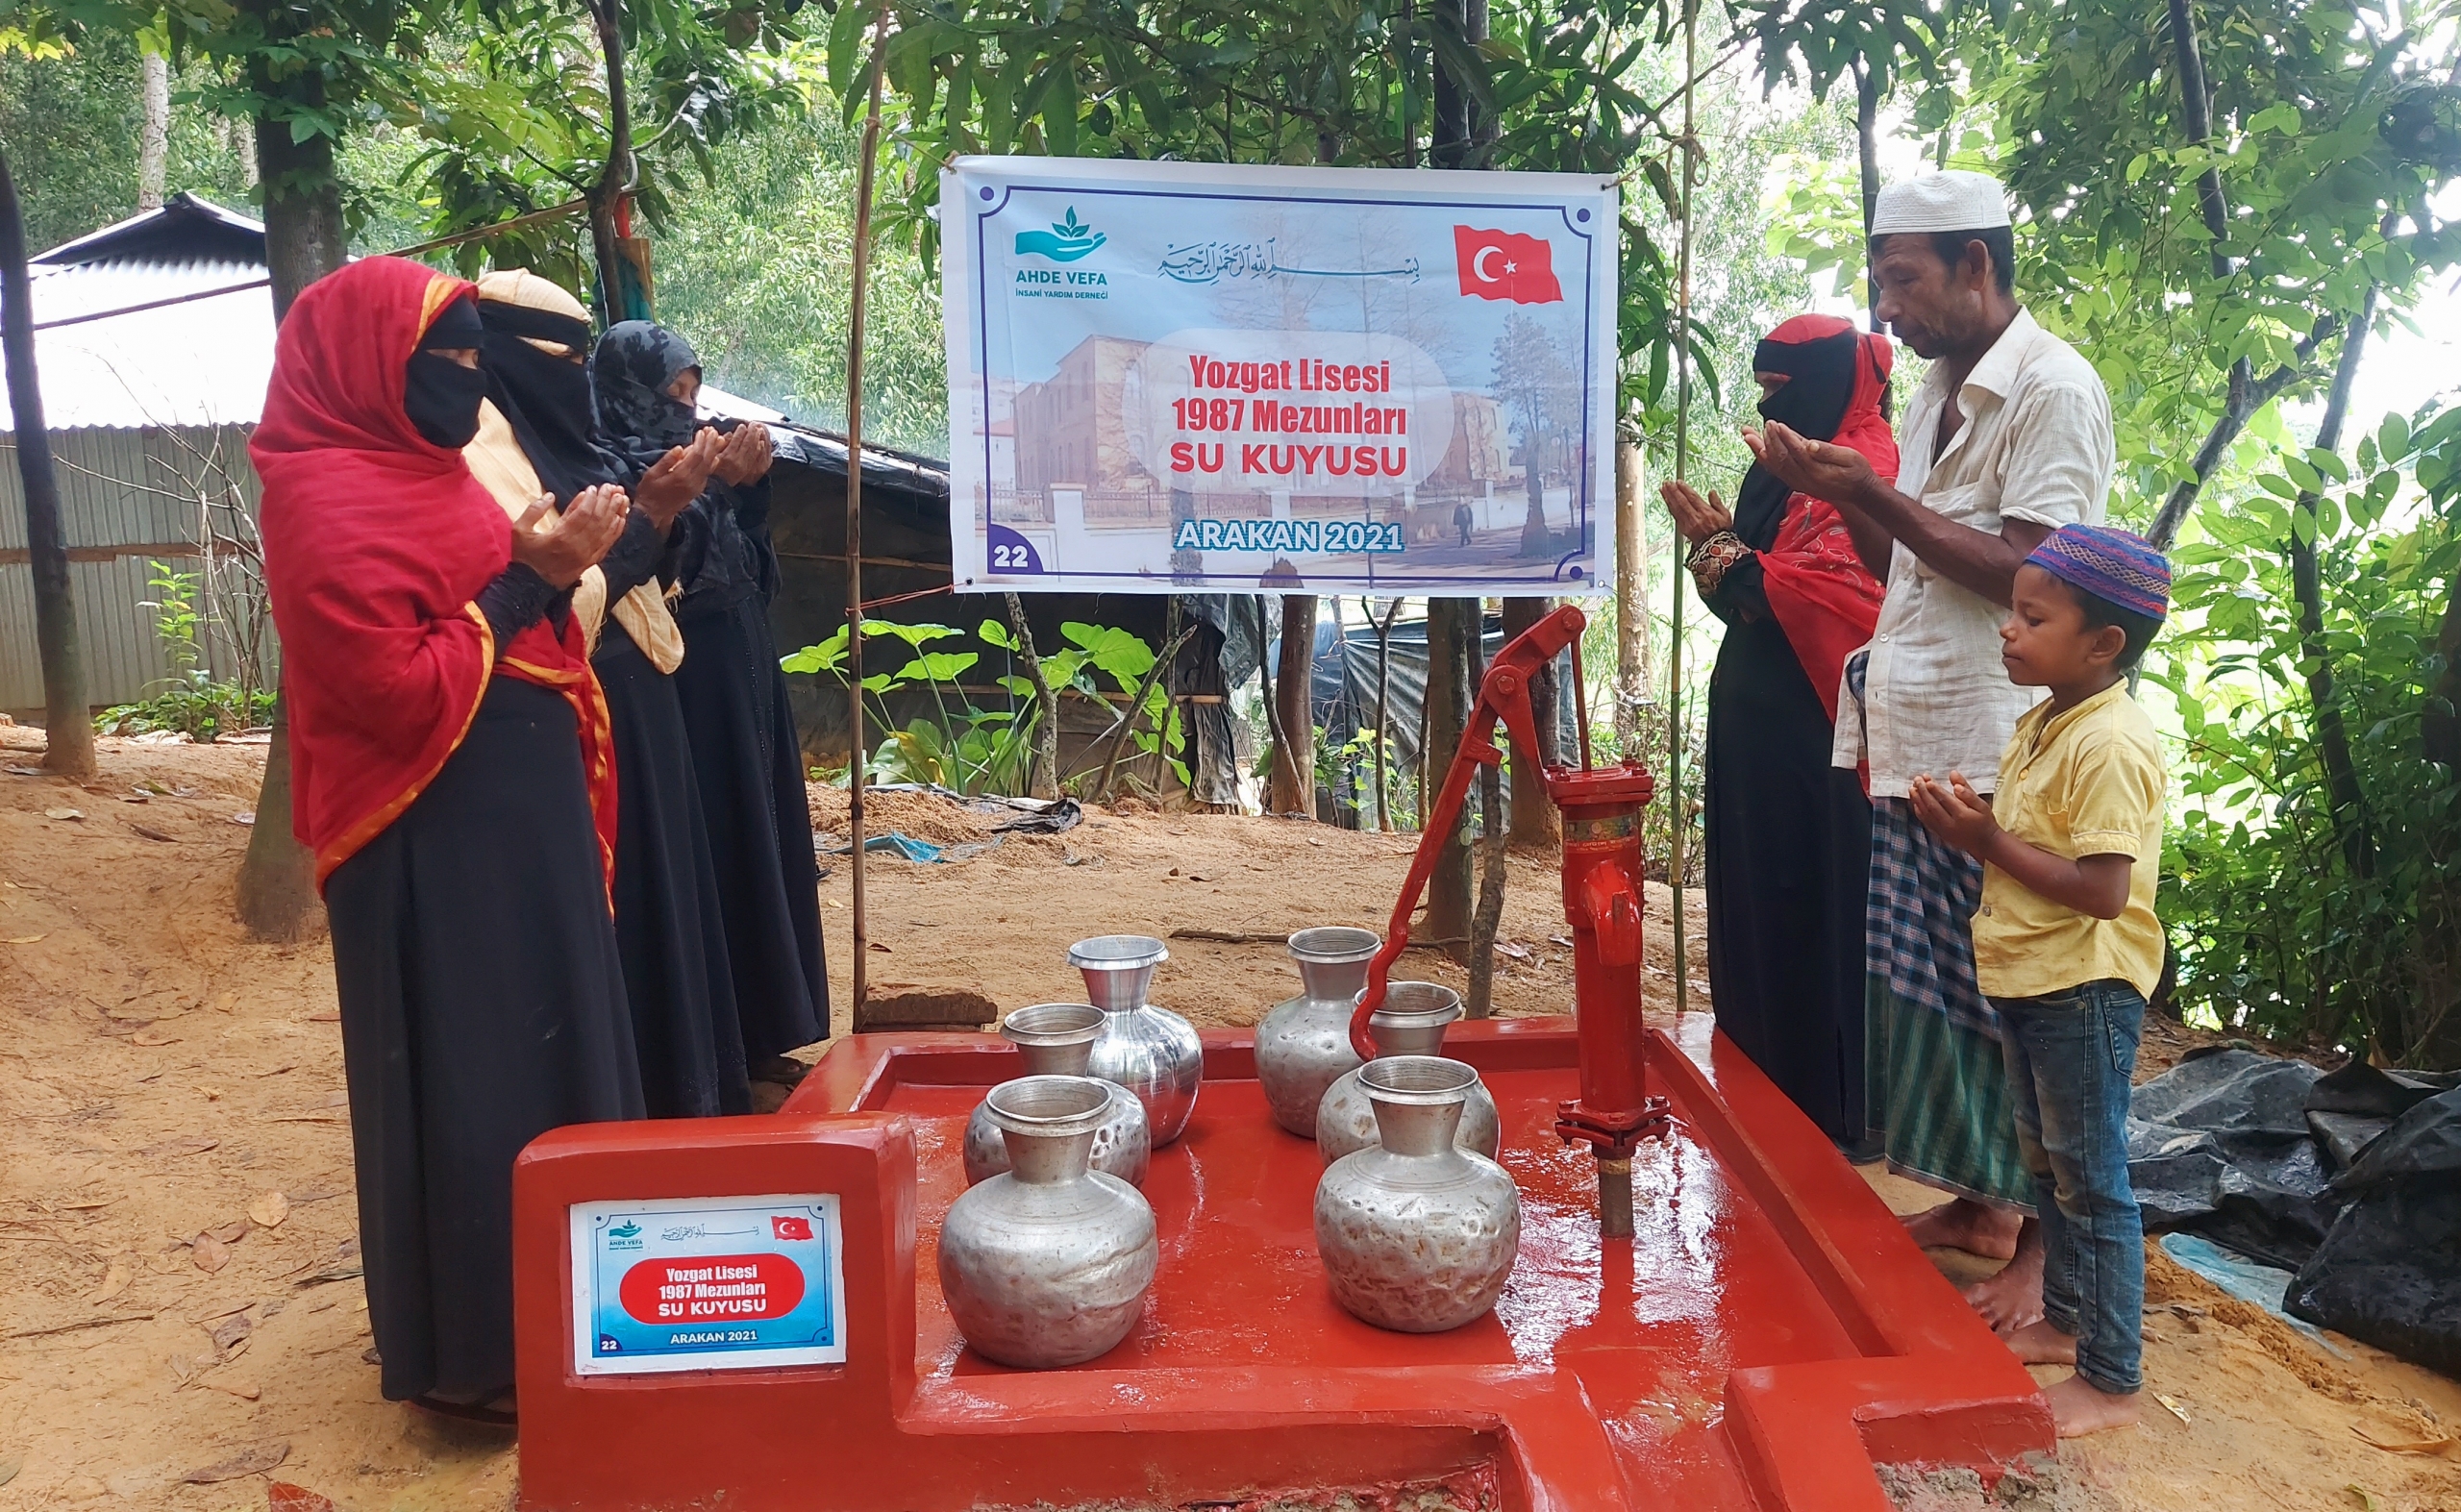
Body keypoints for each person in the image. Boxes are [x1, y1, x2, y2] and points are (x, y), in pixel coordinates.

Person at [252, 257, 643, 1424]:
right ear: (369, 367)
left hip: (522, 833)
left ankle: (589, 1317)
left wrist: (555, 561)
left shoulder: (442, 478)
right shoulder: (323, 496)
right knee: (473, 1080)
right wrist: (532, 581)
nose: (470, 380)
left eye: (479, 357)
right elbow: (387, 685)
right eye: (449, 359)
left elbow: (497, 601)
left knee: (558, 1055)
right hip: (428, 847)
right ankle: (481, 1359)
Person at [1743, 169, 2114, 1328]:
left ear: (1975, 264)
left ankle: (2049, 1259)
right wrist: (1842, 494)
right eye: (1878, 278)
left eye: (1901, 277)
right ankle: (1979, 1204)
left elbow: (2038, 572)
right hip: (1920, 738)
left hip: (2001, 746)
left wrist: (1882, 500)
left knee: (2030, 1000)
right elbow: (1892, 570)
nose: (1883, 304)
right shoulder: (1938, 392)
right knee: (1947, 995)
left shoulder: (2050, 389)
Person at [463, 271, 752, 1119]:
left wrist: (681, 509)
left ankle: (692, 1081)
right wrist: (650, 515)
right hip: (574, 698)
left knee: (670, 899)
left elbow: (653, 572)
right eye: (558, 355)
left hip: (640, 684)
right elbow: (553, 592)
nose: (571, 373)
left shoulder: (563, 433)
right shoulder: (482, 452)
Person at [1908, 525, 2170, 1436]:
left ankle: (2113, 1379)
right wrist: (1976, 825)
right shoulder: (2047, 720)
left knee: (2092, 1182)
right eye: (2013, 613)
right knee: (2049, 1170)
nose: (2008, 632)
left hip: (2083, 988)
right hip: (2033, 980)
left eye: (2033, 617)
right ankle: (2063, 1318)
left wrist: (1982, 839)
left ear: (2104, 643)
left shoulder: (2109, 745)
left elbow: (2102, 889)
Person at [1661, 314, 1893, 1151]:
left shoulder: (1866, 462)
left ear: (1831, 379)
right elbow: (1748, 588)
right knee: (1759, 902)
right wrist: (1723, 553)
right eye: (1761, 389)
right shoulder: (1788, 459)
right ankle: (1762, 1086)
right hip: (1758, 729)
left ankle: (1828, 1116)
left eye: (1781, 387)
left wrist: (1719, 551)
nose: (1769, 403)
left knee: (1810, 906)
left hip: (1822, 738)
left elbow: (1825, 593)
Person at [594, 322, 829, 1070]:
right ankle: (718, 1048)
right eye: (672, 395)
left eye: (695, 394)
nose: (688, 413)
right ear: (628, 395)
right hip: (686, 699)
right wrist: (686, 495)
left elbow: (751, 575)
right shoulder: (604, 476)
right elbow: (649, 583)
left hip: (744, 687)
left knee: (759, 848)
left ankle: (762, 1035)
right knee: (714, 859)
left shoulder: (688, 470)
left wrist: (749, 493)